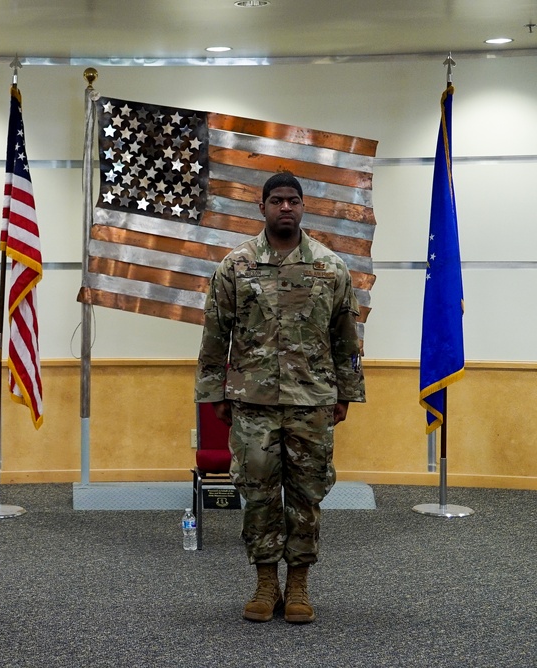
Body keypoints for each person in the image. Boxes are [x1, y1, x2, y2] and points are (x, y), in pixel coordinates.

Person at [195, 171, 365, 624]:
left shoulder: (330, 267)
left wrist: (347, 392)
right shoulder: (236, 265)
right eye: (277, 200)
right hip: (252, 402)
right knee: (258, 494)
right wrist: (215, 392)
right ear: (262, 207)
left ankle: (299, 584)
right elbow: (216, 334)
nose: (285, 207)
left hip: (312, 400)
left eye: (293, 200)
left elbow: (347, 336)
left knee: (307, 494)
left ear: (303, 206)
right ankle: (266, 581)